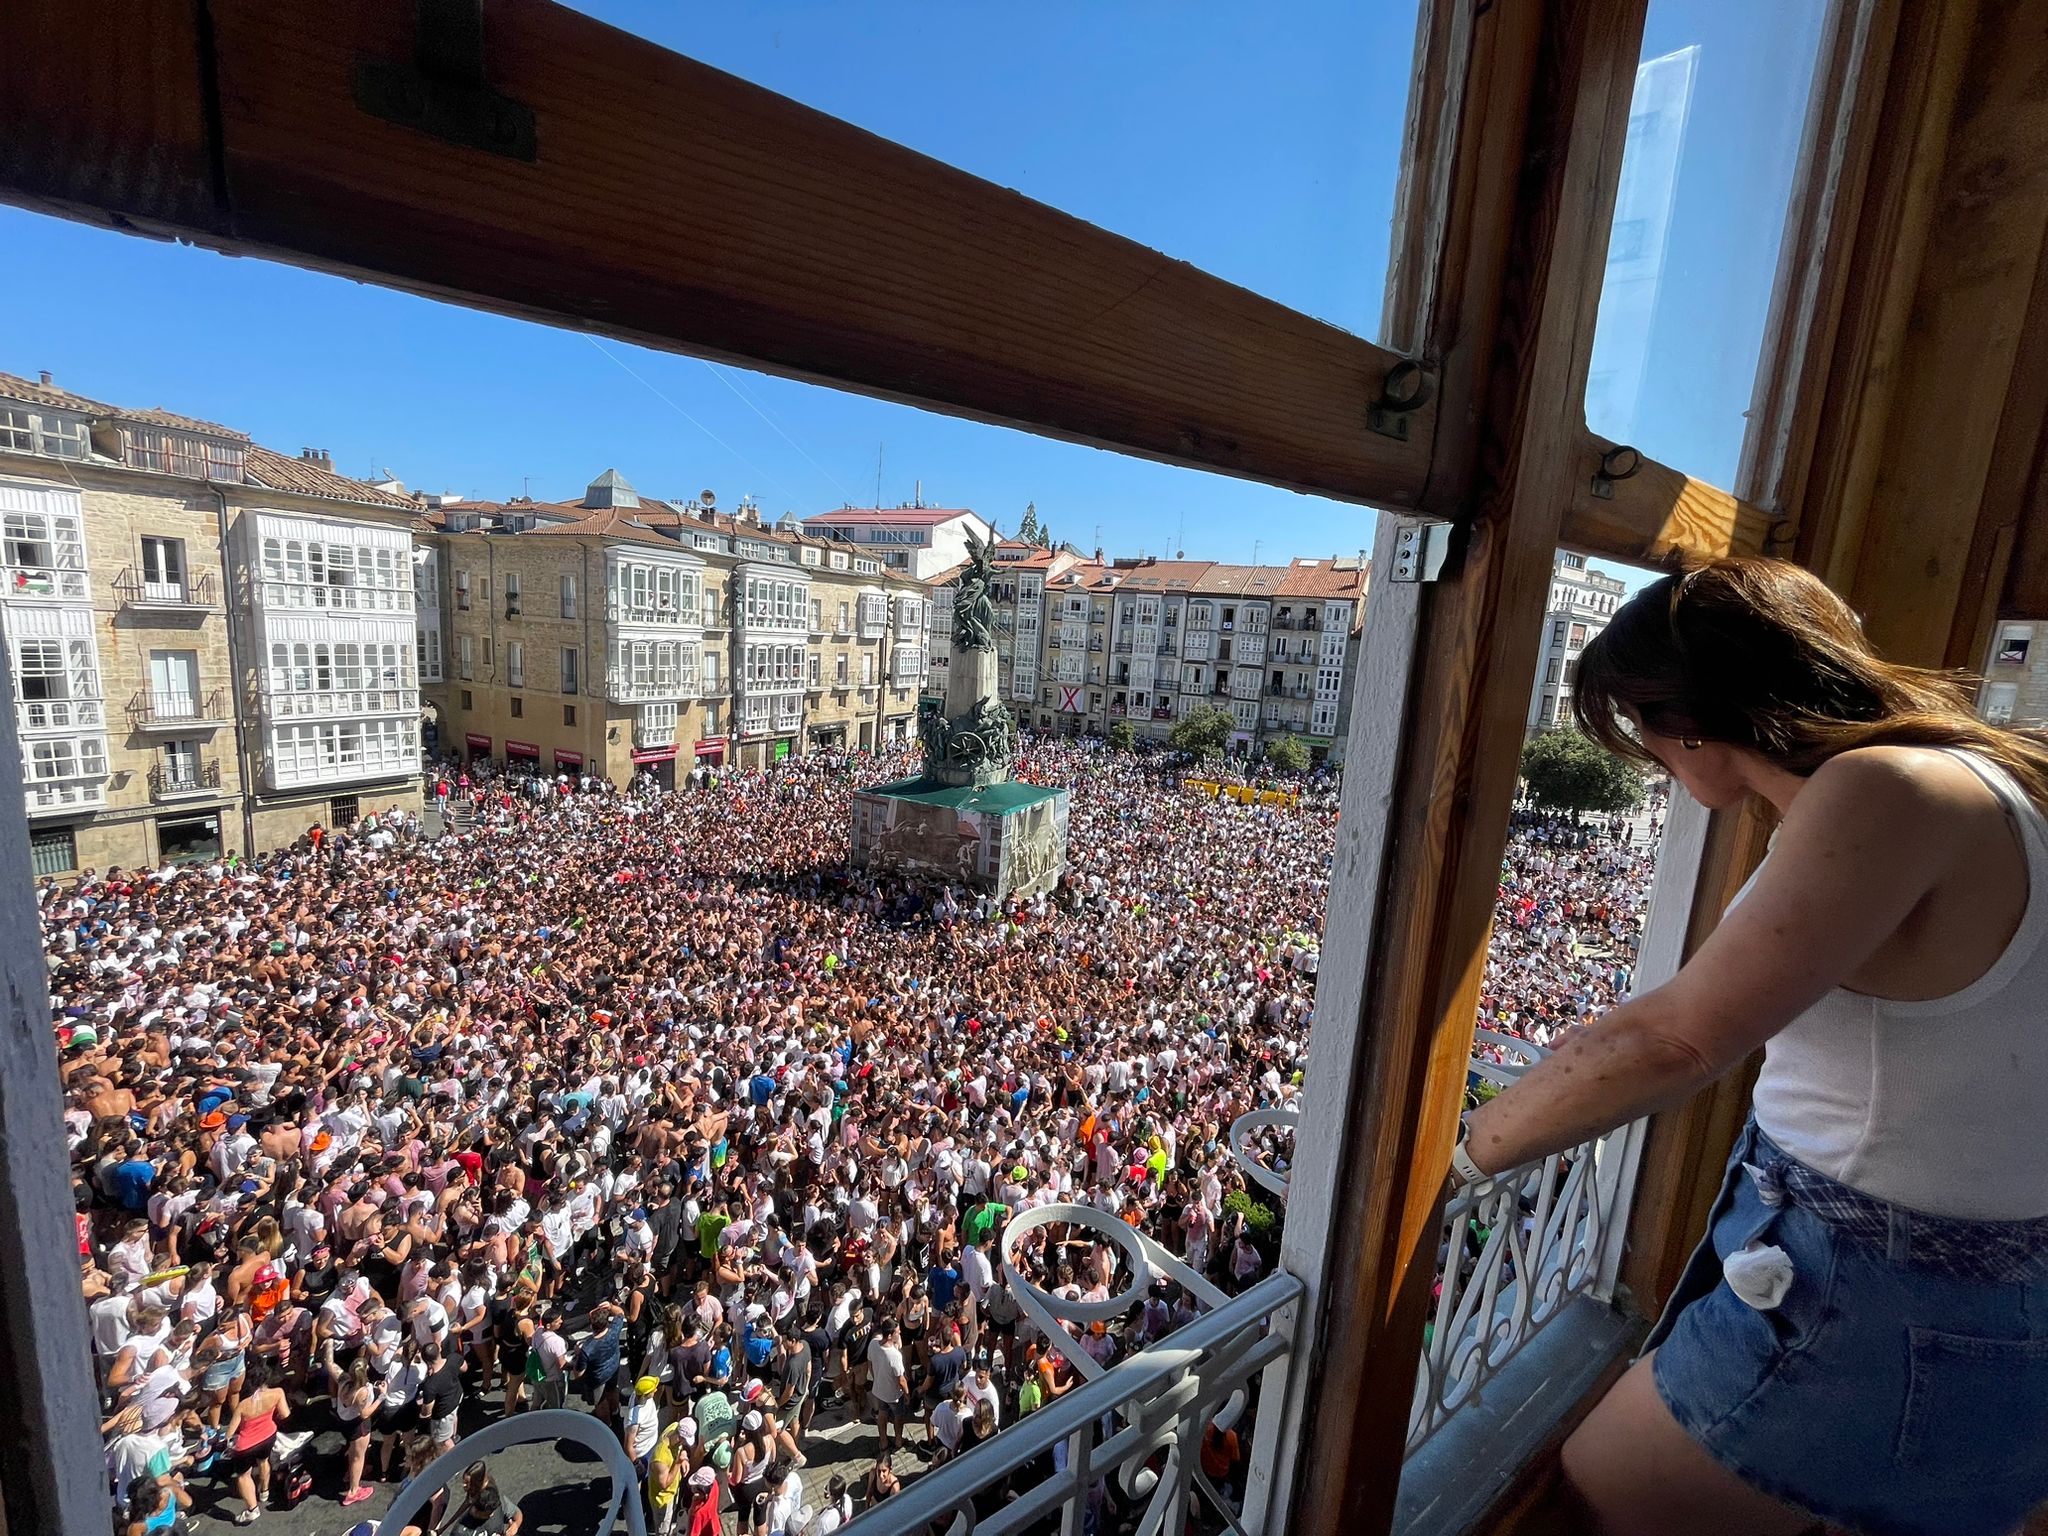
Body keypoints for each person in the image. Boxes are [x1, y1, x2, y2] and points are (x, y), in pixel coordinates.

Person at [1461, 557, 2048, 1536]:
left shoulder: (1884, 788)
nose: (1653, 766)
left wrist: (1458, 1152)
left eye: (1641, 739)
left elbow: (1676, 1036)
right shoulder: (1996, 781)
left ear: (1683, 719)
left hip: (1873, 1289)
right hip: (1971, 1286)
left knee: (1591, 1490)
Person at [218, 1360, 288, 1525]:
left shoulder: (243, 1405)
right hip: (269, 1435)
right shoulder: (277, 1393)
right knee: (264, 1461)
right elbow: (285, 1414)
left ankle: (252, 1510)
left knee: (243, 1476)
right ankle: (264, 1492)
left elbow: (230, 1432)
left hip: (246, 1445)